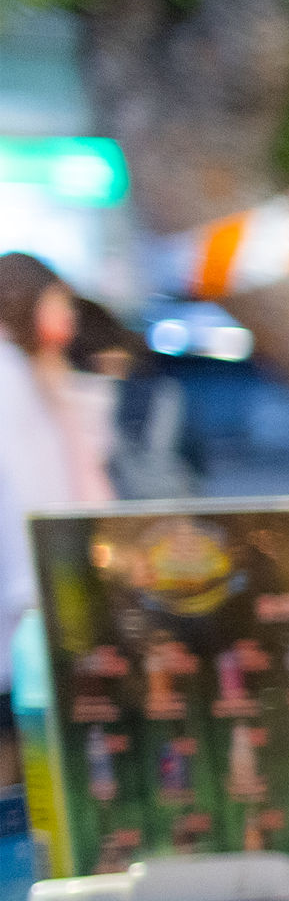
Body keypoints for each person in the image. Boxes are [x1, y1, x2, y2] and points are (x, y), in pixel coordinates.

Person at [0, 253, 112, 643]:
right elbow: (22, 484)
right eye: (58, 301)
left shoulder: (39, 372)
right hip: (29, 583)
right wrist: (30, 588)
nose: (69, 315)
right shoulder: (8, 373)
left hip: (46, 569)